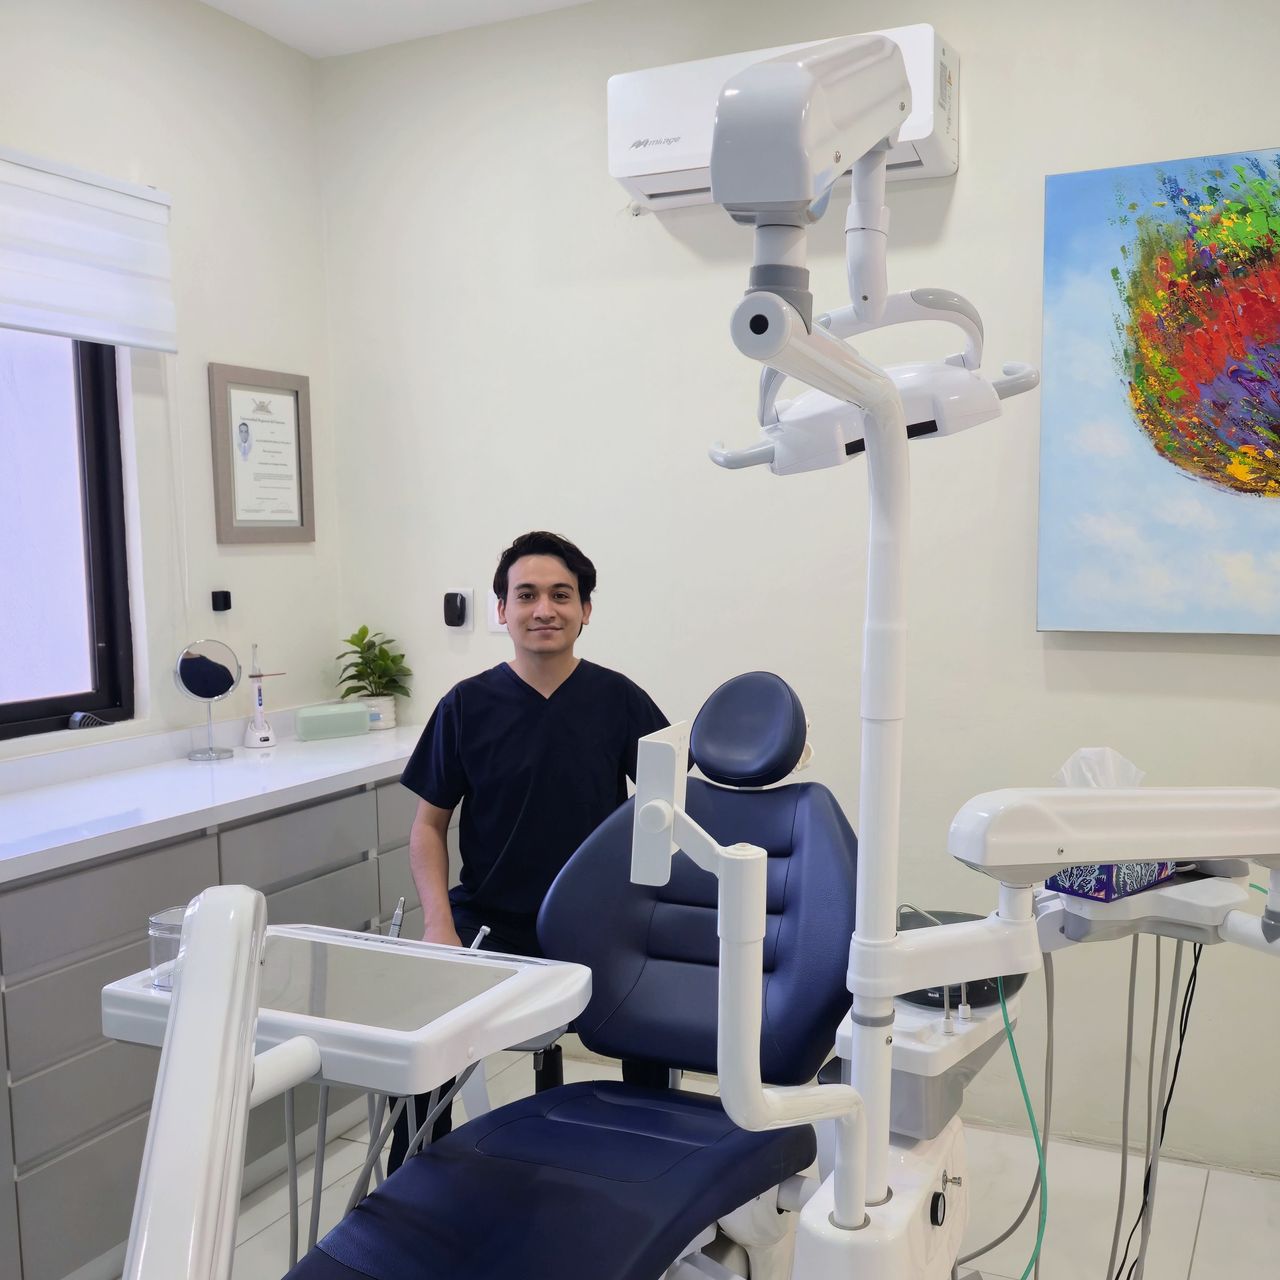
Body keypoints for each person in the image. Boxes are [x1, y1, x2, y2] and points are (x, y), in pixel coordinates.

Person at [387, 530, 668, 1168]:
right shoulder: (466, 705)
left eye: (561, 595)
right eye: (527, 595)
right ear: (502, 610)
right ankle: (414, 1177)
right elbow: (428, 827)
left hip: (599, 924)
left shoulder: (618, 700)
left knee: (653, 1026)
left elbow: (669, 809)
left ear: (586, 610)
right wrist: (438, 926)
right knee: (420, 1028)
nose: (544, 609)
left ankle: (650, 1169)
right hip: (491, 920)